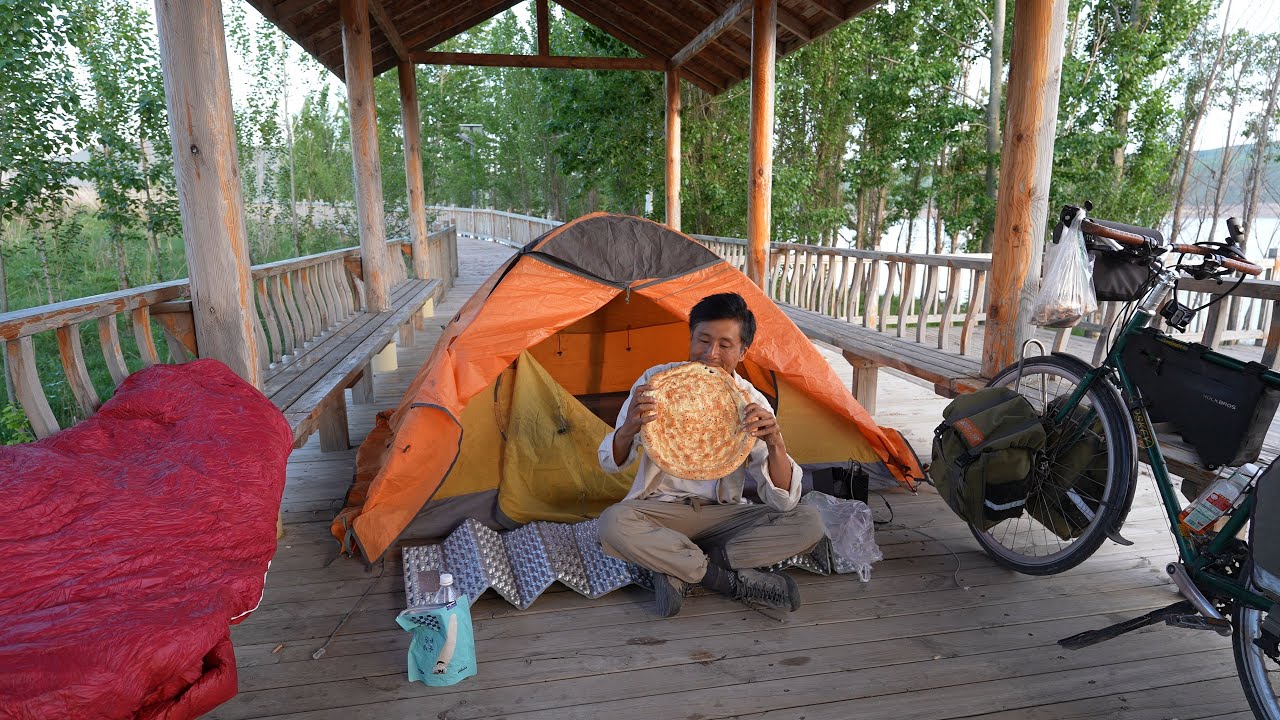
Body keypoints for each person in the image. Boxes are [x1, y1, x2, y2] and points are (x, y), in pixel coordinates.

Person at [597, 292, 826, 617]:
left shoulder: (750, 402)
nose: (710, 354)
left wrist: (776, 442)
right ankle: (727, 580)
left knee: (809, 520)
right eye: (702, 341)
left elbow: (783, 502)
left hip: (724, 517)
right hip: (660, 513)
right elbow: (609, 462)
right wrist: (629, 429)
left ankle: (677, 568)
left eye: (724, 345)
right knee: (613, 523)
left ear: (743, 350)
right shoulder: (656, 383)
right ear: (691, 338)